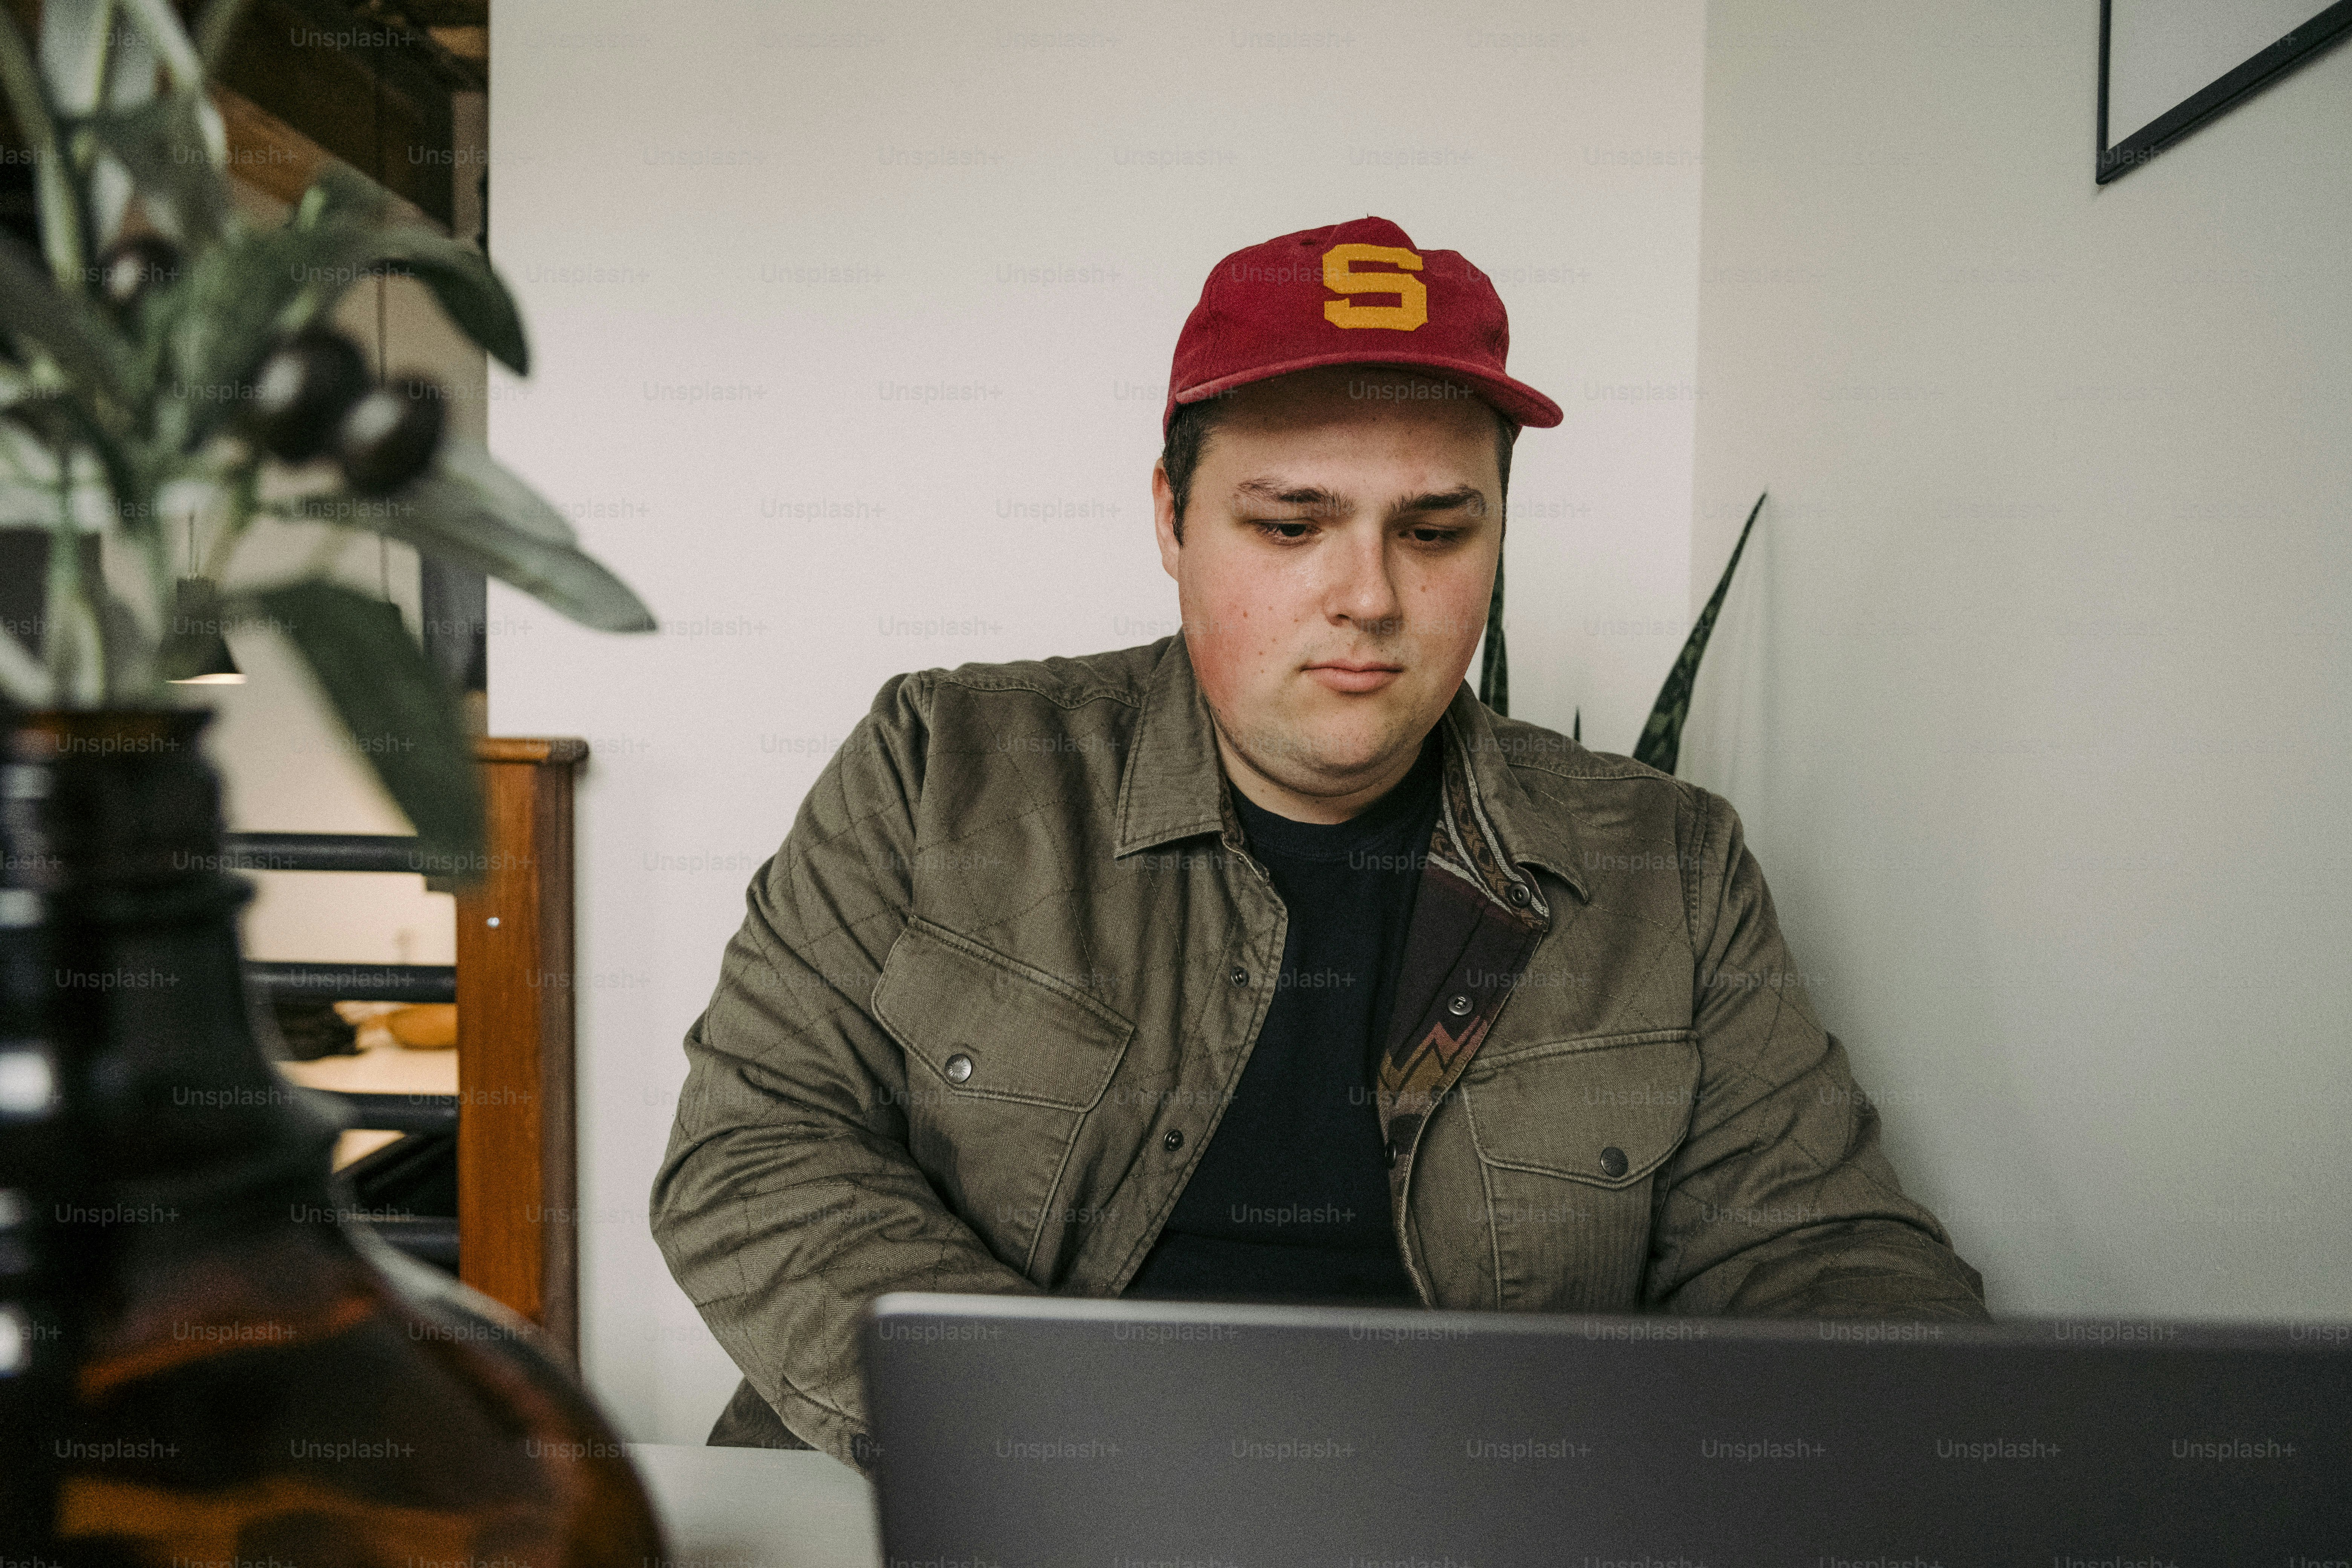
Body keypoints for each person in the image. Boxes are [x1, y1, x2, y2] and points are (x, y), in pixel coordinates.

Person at [649, 215, 1987, 1474]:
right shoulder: (938, 765)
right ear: (1170, 520)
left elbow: (1824, 1255)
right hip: (991, 1487)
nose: (1370, 597)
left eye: (1436, 531)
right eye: (1291, 526)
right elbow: (756, 1157)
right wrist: (1069, 1449)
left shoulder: (1670, 867)